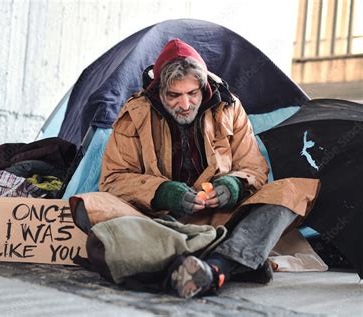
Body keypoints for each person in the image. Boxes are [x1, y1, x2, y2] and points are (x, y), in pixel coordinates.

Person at [73, 38, 320, 299]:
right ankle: (232, 262)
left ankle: (211, 268)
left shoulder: (230, 108)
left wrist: (233, 186)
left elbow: (254, 169)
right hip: (160, 221)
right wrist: (163, 192)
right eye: (174, 95)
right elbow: (113, 180)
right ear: (159, 92)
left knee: (291, 190)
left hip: (222, 217)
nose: (185, 104)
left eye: (193, 94)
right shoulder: (135, 114)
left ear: (203, 88)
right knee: (90, 207)